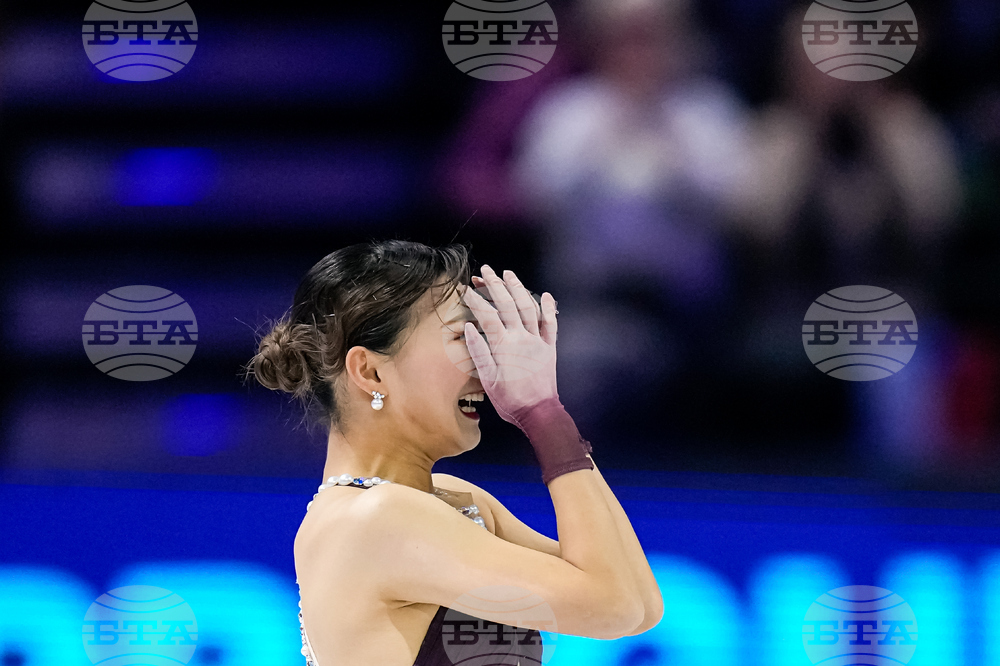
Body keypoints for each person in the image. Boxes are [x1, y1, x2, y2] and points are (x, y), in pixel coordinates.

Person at [247, 240, 663, 665]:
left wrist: (548, 415)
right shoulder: (377, 518)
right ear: (370, 371)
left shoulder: (452, 500)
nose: (487, 363)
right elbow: (613, 607)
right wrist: (543, 413)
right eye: (462, 335)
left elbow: (640, 605)